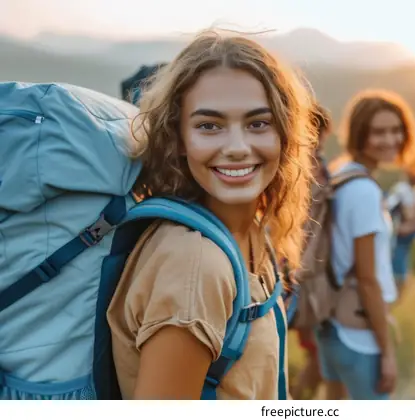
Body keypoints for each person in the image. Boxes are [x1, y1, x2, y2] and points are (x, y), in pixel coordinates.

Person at [106, 29, 317, 400]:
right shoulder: (194, 264)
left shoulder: (251, 233)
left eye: (258, 123)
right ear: (179, 140)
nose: (237, 147)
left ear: (284, 134)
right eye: (209, 126)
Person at [315, 89, 415, 400]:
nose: (390, 140)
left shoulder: (339, 173)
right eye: (378, 131)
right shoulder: (364, 191)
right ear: (359, 134)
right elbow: (367, 279)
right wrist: (387, 352)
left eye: (396, 130)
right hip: (357, 330)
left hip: (330, 326)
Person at [290, 103, 333, 400]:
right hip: (296, 269)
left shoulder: (322, 164)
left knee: (317, 351)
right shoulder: (293, 167)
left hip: (316, 268)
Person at [386, 156, 415, 293]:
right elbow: (388, 211)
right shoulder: (401, 191)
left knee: (402, 280)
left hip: (407, 244)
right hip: (396, 244)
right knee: (397, 281)